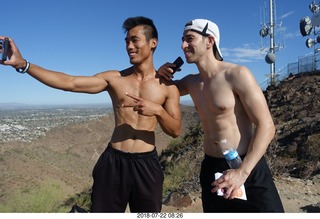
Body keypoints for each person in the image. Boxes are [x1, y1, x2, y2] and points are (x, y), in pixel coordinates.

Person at [0, 16, 181, 213]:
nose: (129, 46)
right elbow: (70, 83)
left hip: (146, 165)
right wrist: (23, 64)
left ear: (152, 42)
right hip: (114, 162)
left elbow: (175, 130)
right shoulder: (115, 78)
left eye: (135, 40)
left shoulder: (168, 88)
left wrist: (158, 111)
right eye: (126, 41)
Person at [158, 18, 284, 212]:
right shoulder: (190, 82)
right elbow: (161, 90)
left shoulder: (237, 74)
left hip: (246, 165)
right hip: (211, 167)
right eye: (182, 39)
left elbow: (266, 126)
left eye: (189, 39)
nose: (183, 45)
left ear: (209, 41)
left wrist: (242, 172)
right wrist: (160, 74)